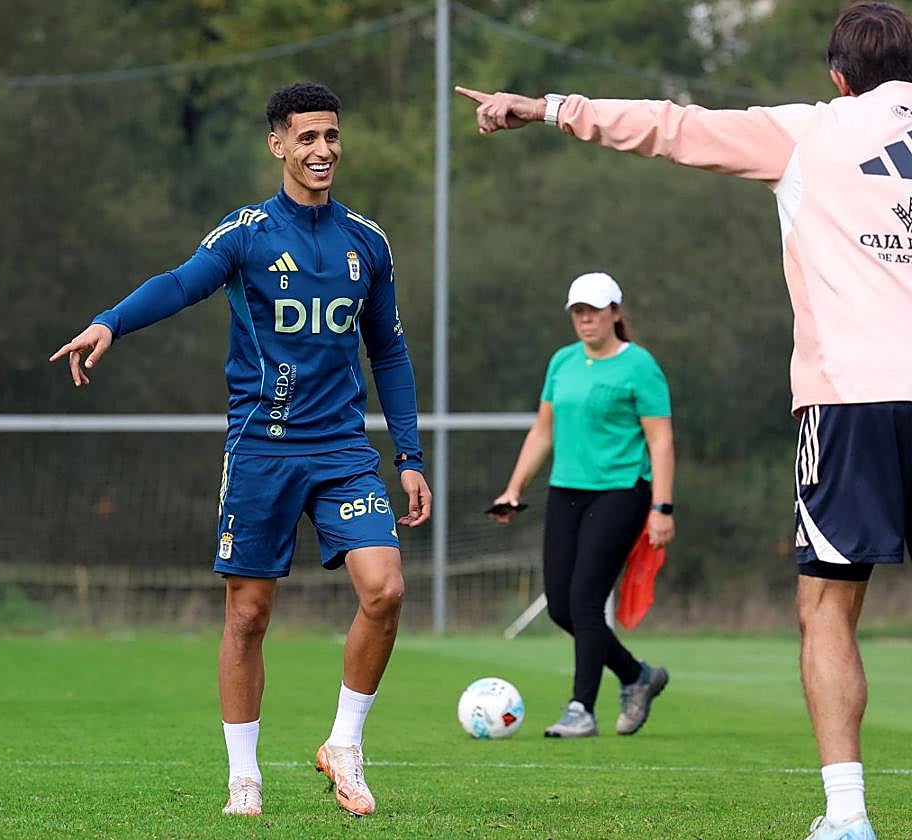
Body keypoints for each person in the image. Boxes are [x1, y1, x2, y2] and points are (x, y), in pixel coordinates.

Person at [457, 2, 912, 837]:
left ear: (838, 76)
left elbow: (670, 126)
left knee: (828, 608)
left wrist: (548, 107)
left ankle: (848, 817)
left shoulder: (809, 131)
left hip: (853, 401)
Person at [50, 81, 431, 818]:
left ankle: (344, 745)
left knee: (386, 589)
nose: (322, 150)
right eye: (307, 137)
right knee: (249, 615)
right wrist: (110, 322)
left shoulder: (368, 242)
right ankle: (244, 777)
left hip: (342, 450)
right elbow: (180, 283)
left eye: (331, 135)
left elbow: (388, 352)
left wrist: (409, 457)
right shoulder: (247, 233)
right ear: (277, 144)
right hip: (262, 449)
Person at [490, 272, 675, 738]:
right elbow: (542, 432)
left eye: (594, 310)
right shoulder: (562, 362)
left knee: (586, 601)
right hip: (566, 491)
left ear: (615, 312)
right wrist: (514, 489)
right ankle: (636, 675)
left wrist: (662, 507)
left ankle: (581, 709)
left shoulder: (640, 366)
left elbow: (660, 440)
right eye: (578, 311)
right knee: (561, 607)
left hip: (621, 490)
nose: (585, 318)